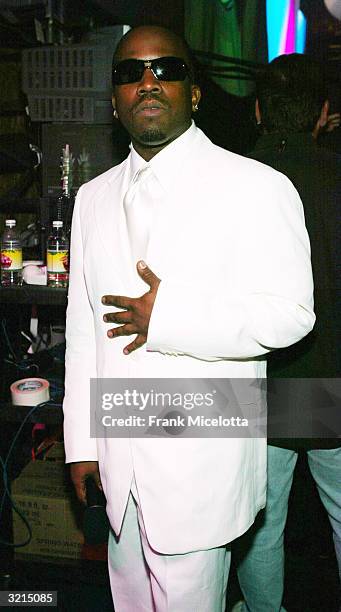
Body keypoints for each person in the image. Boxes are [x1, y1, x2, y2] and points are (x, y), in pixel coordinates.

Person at [63, 27, 315, 611]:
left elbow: (292, 315)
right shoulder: (93, 198)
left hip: (202, 463)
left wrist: (171, 316)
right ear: (113, 98)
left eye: (165, 69)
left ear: (195, 91)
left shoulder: (256, 187)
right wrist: (82, 442)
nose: (147, 83)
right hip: (120, 464)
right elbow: (83, 330)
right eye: (130, 73)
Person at [233, 53, 341, 612]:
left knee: (259, 524)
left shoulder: (232, 183)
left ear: (256, 111)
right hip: (335, 379)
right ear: (324, 113)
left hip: (261, 382)